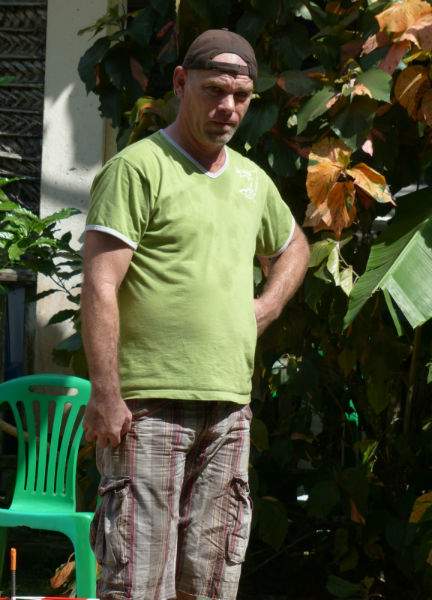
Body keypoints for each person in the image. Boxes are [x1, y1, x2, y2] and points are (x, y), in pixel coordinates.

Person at [81, 29, 310, 600]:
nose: (227, 107)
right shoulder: (138, 169)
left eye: (240, 95)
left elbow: (294, 247)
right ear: (181, 84)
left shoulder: (252, 181)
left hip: (228, 407)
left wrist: (265, 306)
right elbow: (99, 285)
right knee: (137, 578)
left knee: (211, 578)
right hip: (147, 407)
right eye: (212, 90)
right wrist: (106, 394)